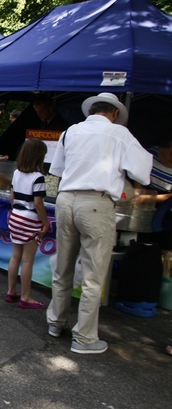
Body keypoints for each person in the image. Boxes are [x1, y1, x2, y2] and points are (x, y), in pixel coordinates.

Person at [47, 92, 152, 354]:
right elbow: (142, 173)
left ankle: (56, 322)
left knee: (63, 267)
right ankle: (84, 338)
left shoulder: (70, 131)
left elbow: (57, 170)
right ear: (115, 113)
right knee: (93, 276)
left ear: (90, 111)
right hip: (96, 203)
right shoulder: (120, 135)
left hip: (66, 199)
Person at [5, 139, 51, 309]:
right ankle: (26, 296)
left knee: (15, 256)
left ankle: (11, 291)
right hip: (30, 218)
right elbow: (38, 203)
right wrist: (45, 223)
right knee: (28, 260)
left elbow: (12, 197)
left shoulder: (16, 173)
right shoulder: (38, 177)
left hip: (15, 216)